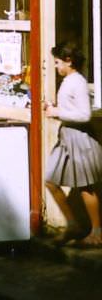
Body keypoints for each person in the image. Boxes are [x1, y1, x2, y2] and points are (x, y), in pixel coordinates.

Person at [44, 42, 102, 247]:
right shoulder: (68, 80)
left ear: (69, 61)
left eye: (58, 62)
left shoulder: (77, 81)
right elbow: (72, 109)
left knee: (85, 186)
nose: (55, 66)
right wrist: (55, 108)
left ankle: (97, 232)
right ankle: (73, 225)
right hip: (66, 136)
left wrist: (58, 112)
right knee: (50, 180)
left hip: (80, 138)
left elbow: (84, 114)